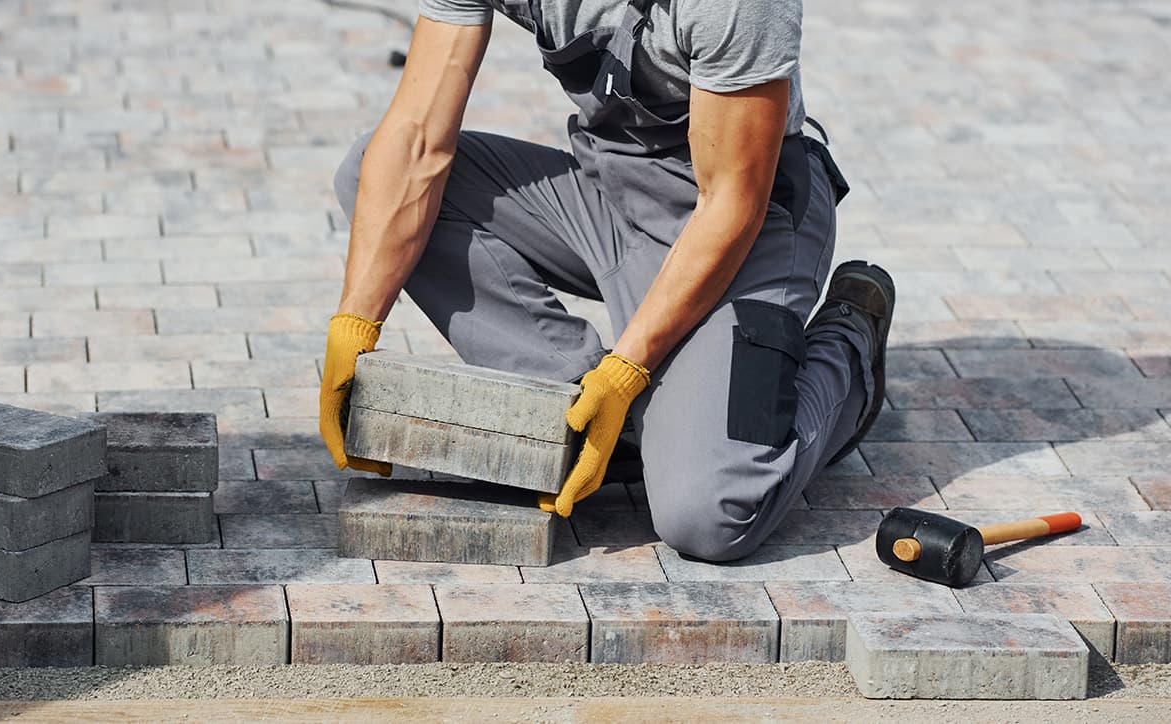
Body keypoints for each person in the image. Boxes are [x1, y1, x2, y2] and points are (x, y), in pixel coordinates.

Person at [319, 0, 895, 562]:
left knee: (710, 513)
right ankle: (585, 415)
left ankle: (847, 340)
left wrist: (626, 371)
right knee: (371, 171)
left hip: (746, 222)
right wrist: (355, 320)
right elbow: (416, 141)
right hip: (612, 196)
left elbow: (731, 204)